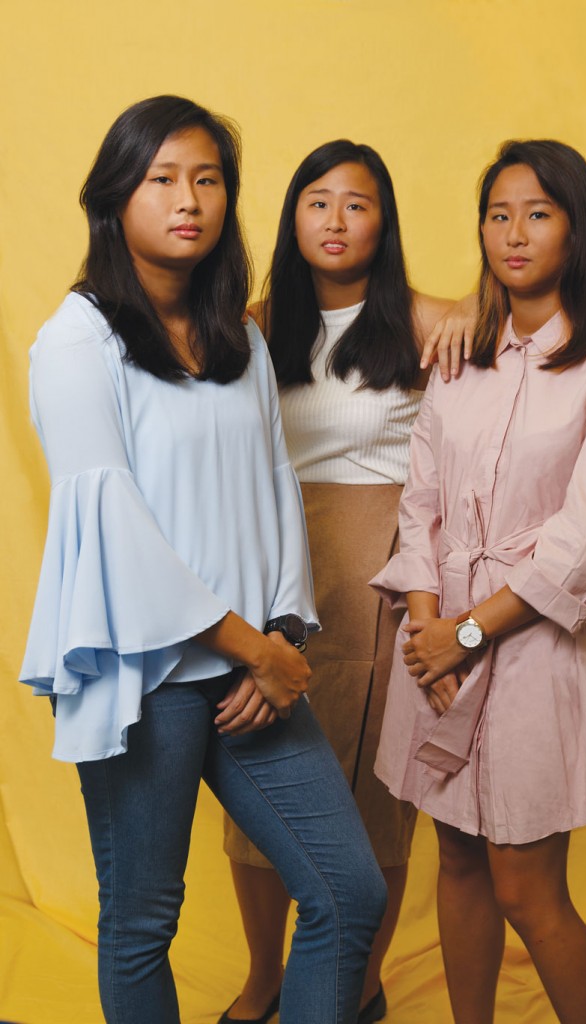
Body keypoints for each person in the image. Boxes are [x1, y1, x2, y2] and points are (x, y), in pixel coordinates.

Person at [19, 96, 387, 1024]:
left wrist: (280, 632)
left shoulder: (240, 337)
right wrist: (251, 646)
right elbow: (113, 531)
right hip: (143, 675)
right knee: (143, 920)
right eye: (163, 179)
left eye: (208, 179)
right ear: (116, 196)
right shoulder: (76, 341)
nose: (188, 199)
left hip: (251, 663)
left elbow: (272, 491)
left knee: (347, 892)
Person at [370, 139, 586, 1023]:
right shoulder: (463, 348)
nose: (514, 234)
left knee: (527, 887)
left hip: (534, 645)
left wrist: (465, 634)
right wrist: (427, 631)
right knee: (456, 858)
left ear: (577, 228)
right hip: (437, 639)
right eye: (498, 214)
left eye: (537, 213)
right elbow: (420, 499)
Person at [220, 140, 475, 1024]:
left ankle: (359, 986)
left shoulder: (420, 318)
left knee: (374, 794)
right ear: (292, 215)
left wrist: (470, 303)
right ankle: (265, 979)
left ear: (383, 222)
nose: (335, 219)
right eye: (317, 200)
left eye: (357, 203)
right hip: (273, 570)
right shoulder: (252, 326)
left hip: (382, 579)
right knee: (260, 784)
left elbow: (508, 314)